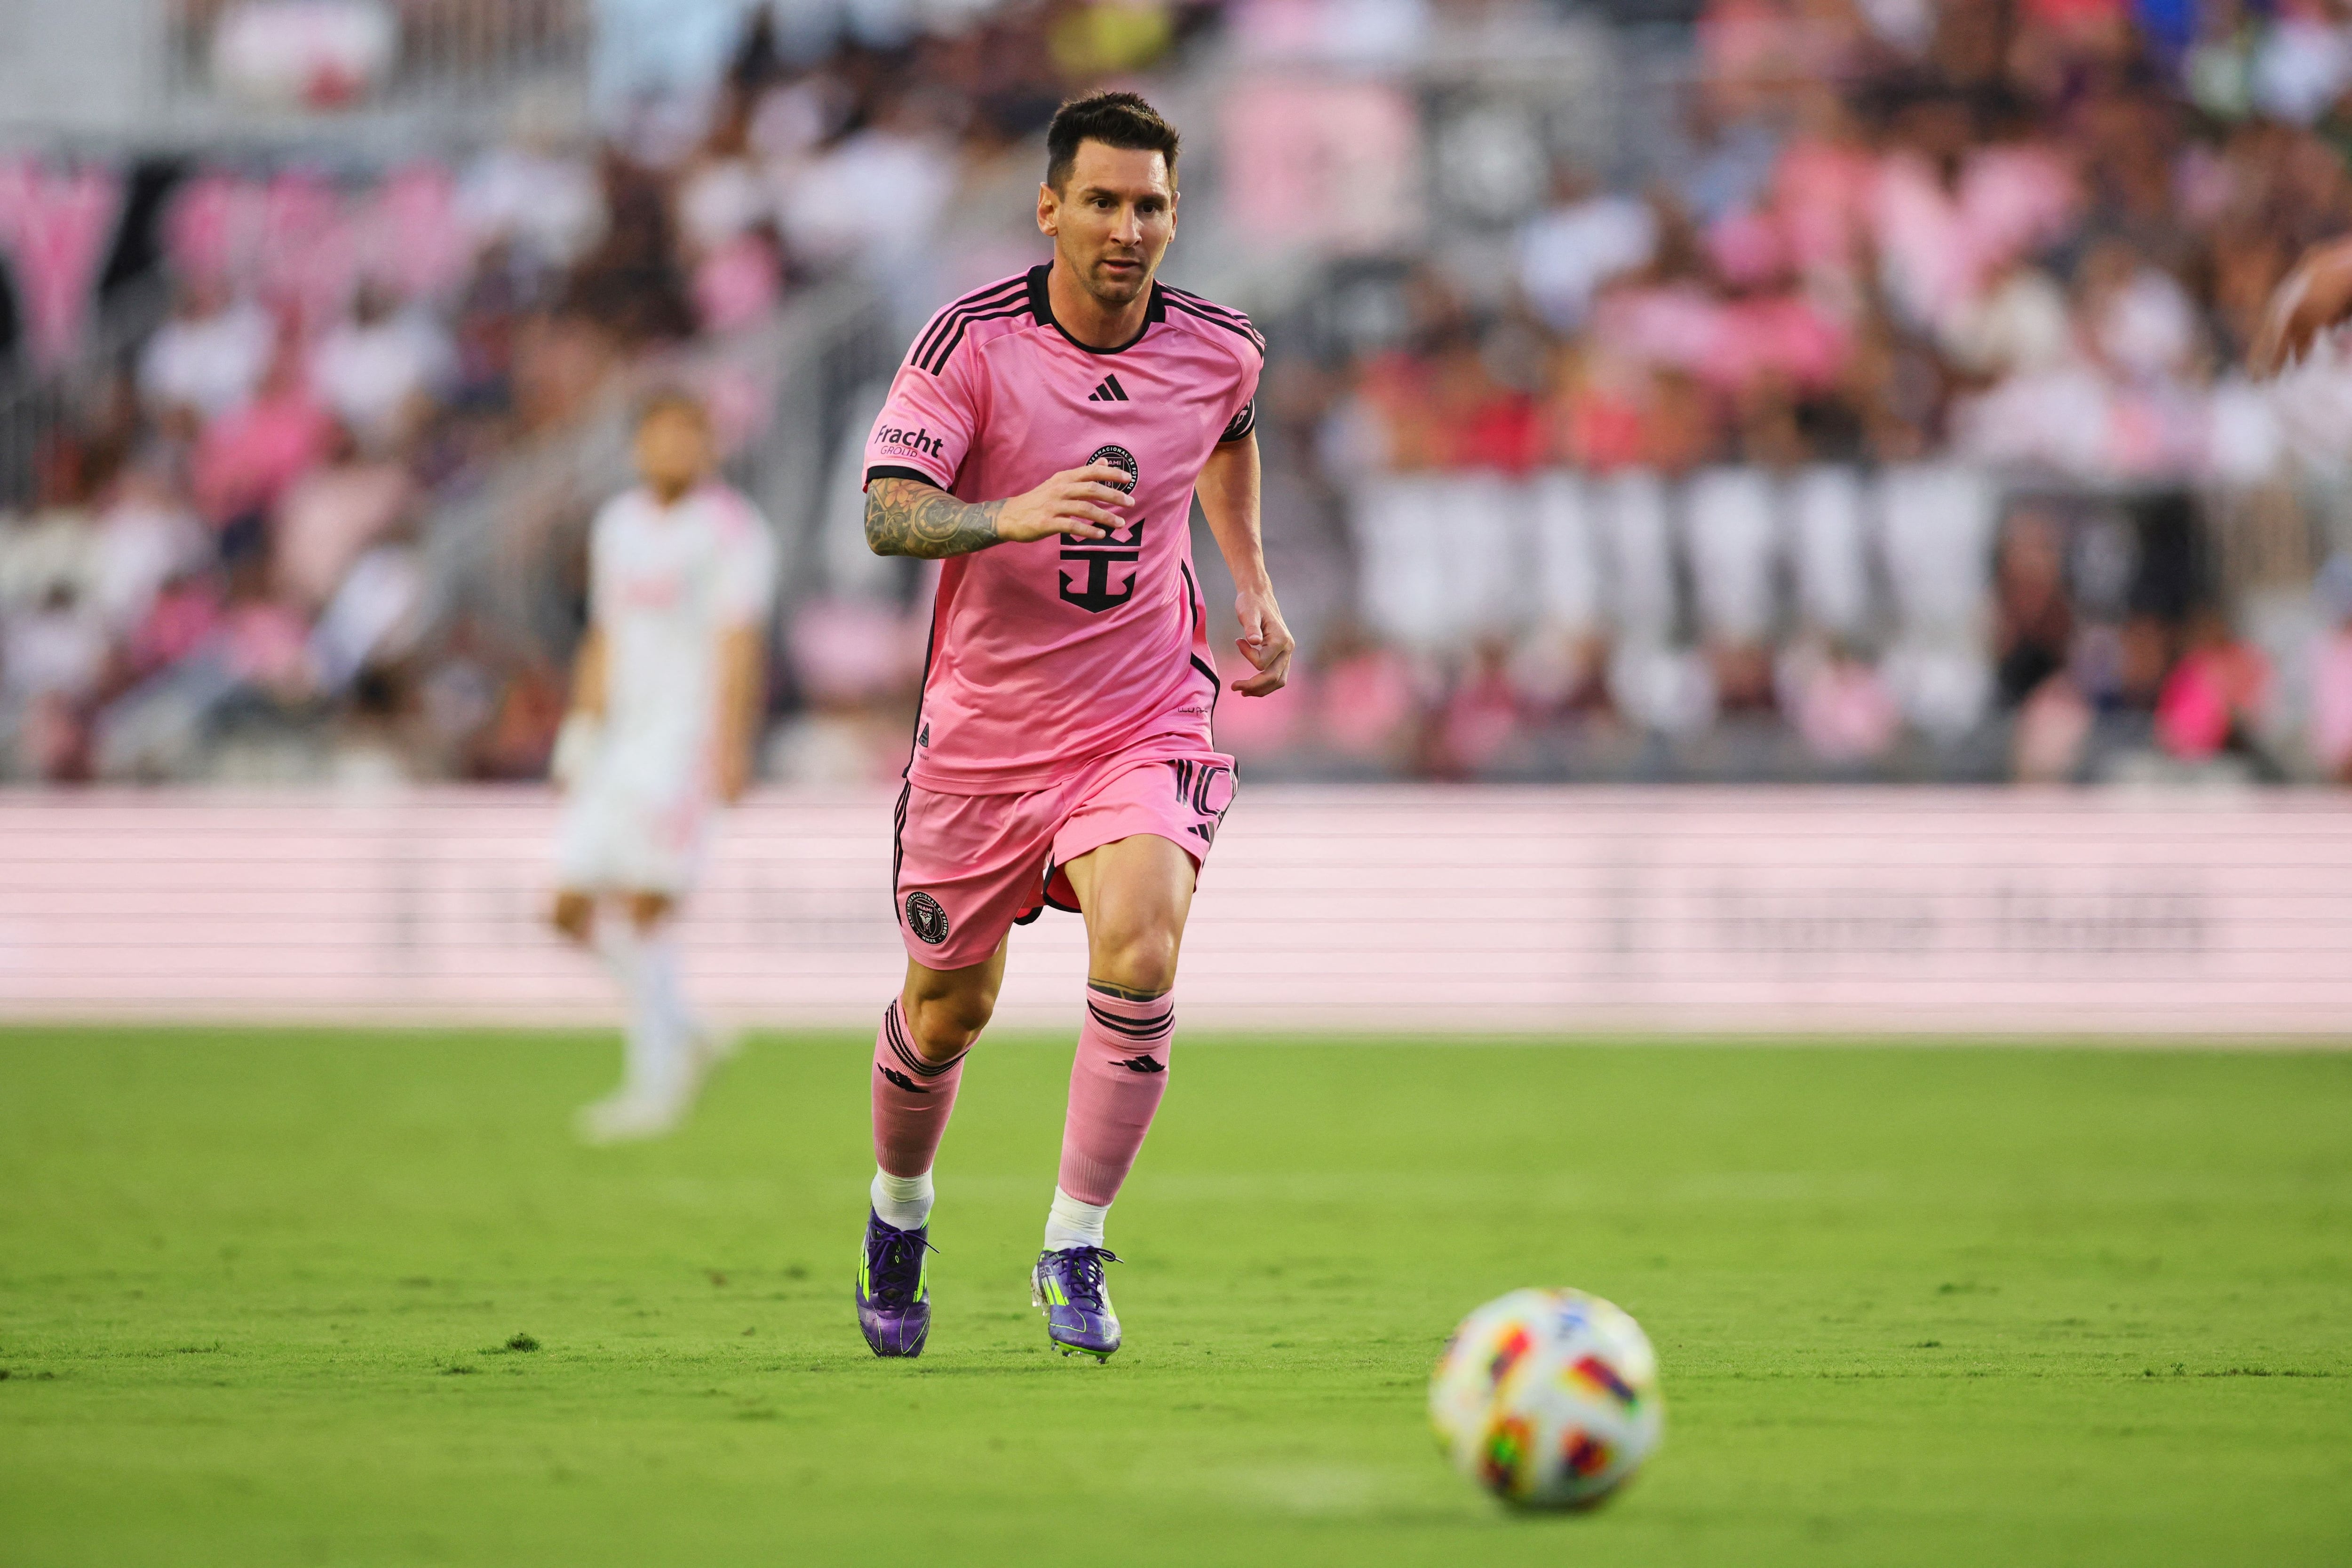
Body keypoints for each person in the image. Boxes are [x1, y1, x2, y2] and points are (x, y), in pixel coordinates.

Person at [851, 91, 1294, 1361]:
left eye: (1150, 202)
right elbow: (888, 510)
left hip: (1141, 707)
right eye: (1101, 200)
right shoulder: (971, 341)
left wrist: (1252, 583)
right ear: (1050, 208)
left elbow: (1230, 431)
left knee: (1144, 947)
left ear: (1175, 214)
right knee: (947, 1007)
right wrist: (1011, 513)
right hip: (987, 733)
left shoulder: (1223, 347)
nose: (1127, 224)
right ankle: (900, 1212)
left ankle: (1076, 1244)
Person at [548, 390, 775, 1143]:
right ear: (638, 445)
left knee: (647, 905)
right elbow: (604, 633)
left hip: (682, 740)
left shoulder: (731, 529)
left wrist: (732, 743)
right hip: (619, 740)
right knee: (566, 909)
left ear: (709, 446)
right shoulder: (617, 526)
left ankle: (653, 1082)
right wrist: (581, 723)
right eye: (659, 436)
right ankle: (688, 1030)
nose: (672, 450)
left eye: (687, 436)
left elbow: (739, 640)